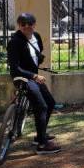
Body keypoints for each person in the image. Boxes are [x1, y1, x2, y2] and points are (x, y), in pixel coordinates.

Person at [7, 13, 61, 155]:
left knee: (50, 103)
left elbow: (38, 53)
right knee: (41, 106)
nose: (26, 27)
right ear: (19, 26)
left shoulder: (36, 37)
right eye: (23, 24)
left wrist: (36, 66)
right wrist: (34, 75)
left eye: (29, 24)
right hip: (22, 78)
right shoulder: (14, 42)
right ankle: (42, 145)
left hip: (34, 77)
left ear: (34, 25)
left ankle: (40, 136)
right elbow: (15, 68)